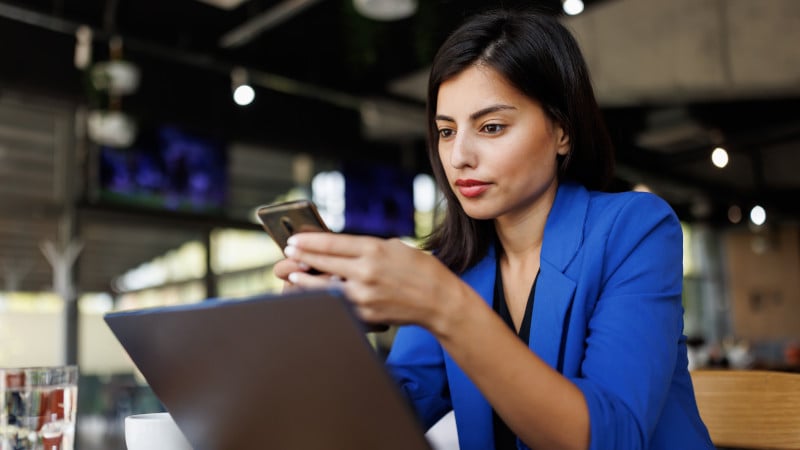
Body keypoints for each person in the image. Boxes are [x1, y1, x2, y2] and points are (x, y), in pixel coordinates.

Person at [274, 8, 713, 450]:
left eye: (491, 127)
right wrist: (329, 334)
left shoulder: (635, 228)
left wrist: (444, 306)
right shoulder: (455, 266)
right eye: (446, 132)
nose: (459, 156)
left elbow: (611, 436)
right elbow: (377, 428)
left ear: (562, 131)